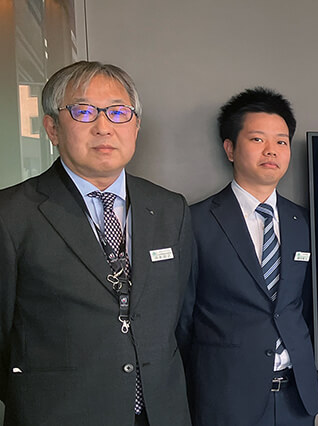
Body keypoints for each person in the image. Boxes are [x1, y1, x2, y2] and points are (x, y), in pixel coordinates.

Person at [0, 61, 194, 425]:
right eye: (84, 111)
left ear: (136, 126)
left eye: (118, 112)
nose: (104, 126)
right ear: (52, 128)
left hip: (161, 413)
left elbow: (180, 319)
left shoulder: (170, 209)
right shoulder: (11, 214)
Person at [177, 87, 318, 425]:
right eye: (257, 139)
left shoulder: (305, 221)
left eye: (281, 141)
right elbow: (182, 320)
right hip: (226, 400)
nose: (271, 150)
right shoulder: (195, 222)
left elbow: (306, 307)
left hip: (296, 400)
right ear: (230, 148)